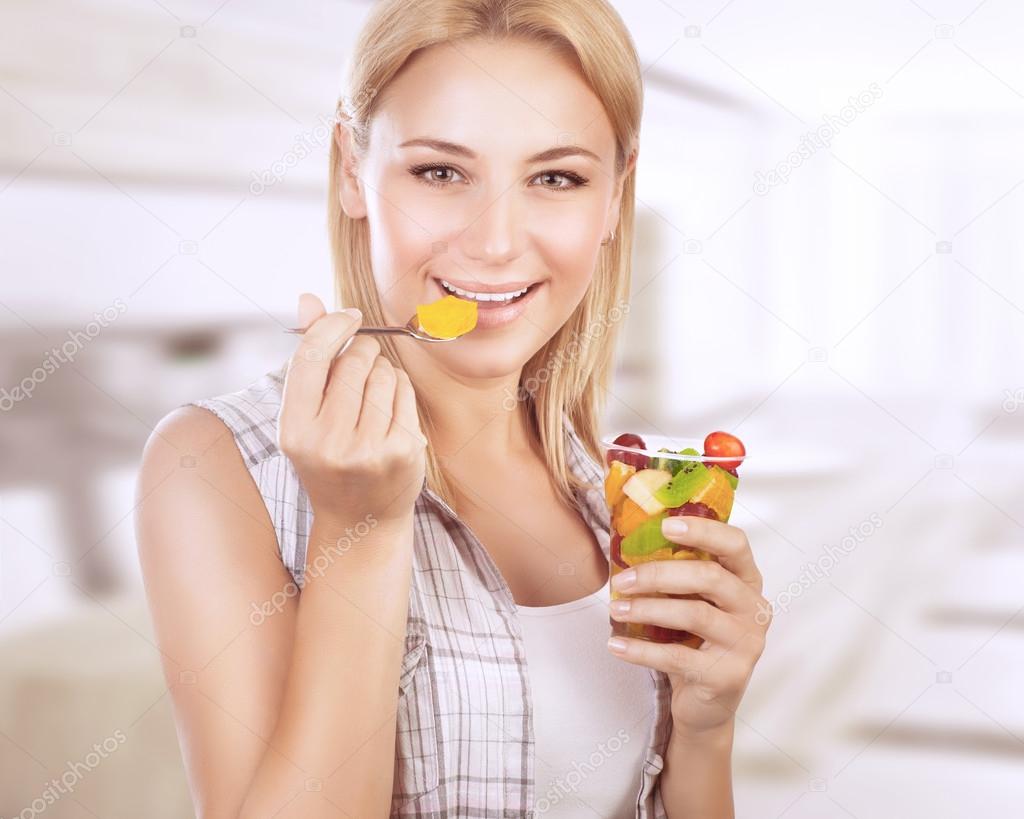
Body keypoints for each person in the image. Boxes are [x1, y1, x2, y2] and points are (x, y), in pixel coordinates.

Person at [134, 1, 771, 816]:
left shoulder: (611, 490)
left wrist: (705, 727)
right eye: (440, 172)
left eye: (556, 178)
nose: (497, 241)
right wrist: (360, 531)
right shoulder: (218, 465)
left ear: (615, 198)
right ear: (348, 170)